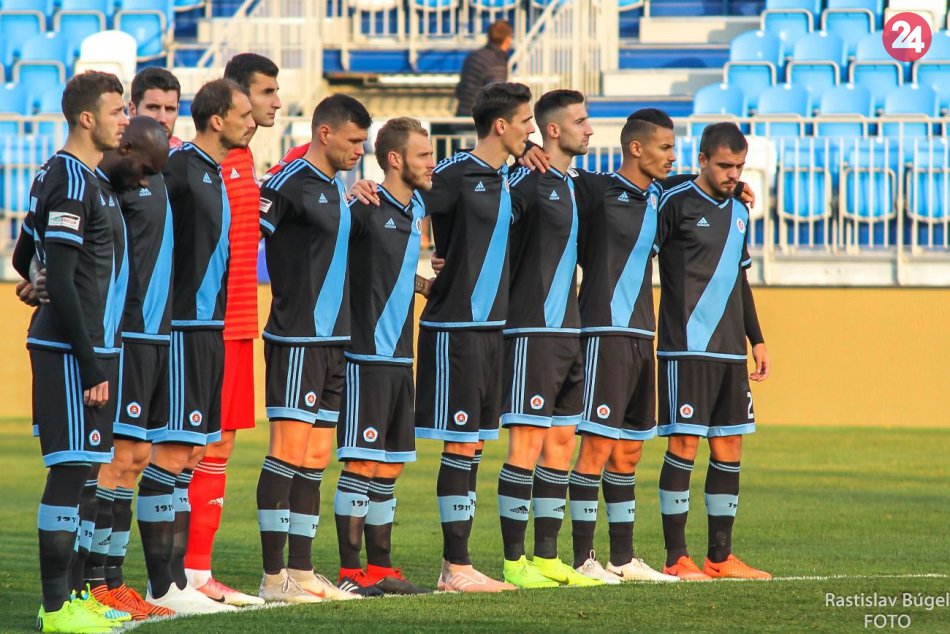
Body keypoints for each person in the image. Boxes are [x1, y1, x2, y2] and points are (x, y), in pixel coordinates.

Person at [14, 70, 130, 633]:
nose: (125, 120)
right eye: (117, 111)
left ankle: (77, 598)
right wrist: (90, 364)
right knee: (67, 473)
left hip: (92, 347)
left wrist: (34, 277)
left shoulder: (85, 177)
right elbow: (58, 274)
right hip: (68, 350)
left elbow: (24, 253)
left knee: (84, 475)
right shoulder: (70, 178)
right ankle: (56, 609)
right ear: (87, 118)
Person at [415, 82, 533, 593]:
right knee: (461, 444)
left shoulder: (505, 177)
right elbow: (394, 206)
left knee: (476, 445)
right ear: (501, 125)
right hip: (455, 328)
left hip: (491, 331)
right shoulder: (454, 173)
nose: (531, 130)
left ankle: (459, 566)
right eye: (526, 121)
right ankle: (454, 568)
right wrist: (419, 278)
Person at [144, 78, 255, 613]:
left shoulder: (213, 170)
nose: (251, 121)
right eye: (243, 113)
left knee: (191, 454)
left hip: (211, 329)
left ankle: (180, 582)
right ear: (217, 119)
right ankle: (161, 586)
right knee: (170, 454)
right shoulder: (181, 168)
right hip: (183, 328)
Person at [79, 69, 184, 622]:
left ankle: (115, 582)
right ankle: (93, 583)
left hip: (157, 335)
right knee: (117, 459)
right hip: (128, 333)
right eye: (152, 109)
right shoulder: (112, 175)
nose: (163, 119)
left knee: (138, 458)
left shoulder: (159, 169)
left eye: (172, 108)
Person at [255, 94, 370, 602]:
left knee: (317, 456)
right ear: (325, 133)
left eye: (364, 142)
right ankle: (272, 578)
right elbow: (247, 240)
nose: (359, 150)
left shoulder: (334, 187)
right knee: (286, 452)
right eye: (353, 140)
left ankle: (301, 572)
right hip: (298, 338)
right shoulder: (287, 181)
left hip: (335, 341)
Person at [653, 122, 771, 581]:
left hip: (729, 353)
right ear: (701, 160)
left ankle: (720, 558)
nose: (733, 174)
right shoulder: (675, 202)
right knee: (684, 444)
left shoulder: (740, 210)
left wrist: (756, 340)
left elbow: (739, 280)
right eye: (724, 165)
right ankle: (675, 557)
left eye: (739, 166)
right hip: (686, 349)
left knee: (729, 445)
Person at [493, 90, 601, 589]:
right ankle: (513, 562)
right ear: (553, 130)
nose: (590, 129)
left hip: (569, 331)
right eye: (581, 121)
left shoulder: (574, 184)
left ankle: (548, 558)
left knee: (560, 443)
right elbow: (479, 216)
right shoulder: (524, 180)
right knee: (527, 443)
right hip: (530, 330)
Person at [185, 53, 282, 607]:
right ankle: (177, 576)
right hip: (205, 326)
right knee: (186, 447)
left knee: (219, 445)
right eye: (264, 93)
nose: (274, 104)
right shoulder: (205, 163)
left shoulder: (243, 160)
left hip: (240, 324)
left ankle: (197, 573)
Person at [332, 117, 434, 597]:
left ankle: (381, 568)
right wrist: (346, 195)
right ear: (395, 159)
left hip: (400, 357)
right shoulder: (365, 206)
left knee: (390, 465)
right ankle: (349, 571)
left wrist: (423, 284)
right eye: (423, 155)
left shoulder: (417, 206)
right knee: (361, 463)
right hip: (365, 355)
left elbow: (389, 267)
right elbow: (331, 257)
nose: (431, 163)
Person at [455, 20, 513, 118]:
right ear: (507, 40)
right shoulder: (497, 61)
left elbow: (460, 89)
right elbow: (496, 97)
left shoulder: (473, 56)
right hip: (479, 120)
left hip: (462, 115)